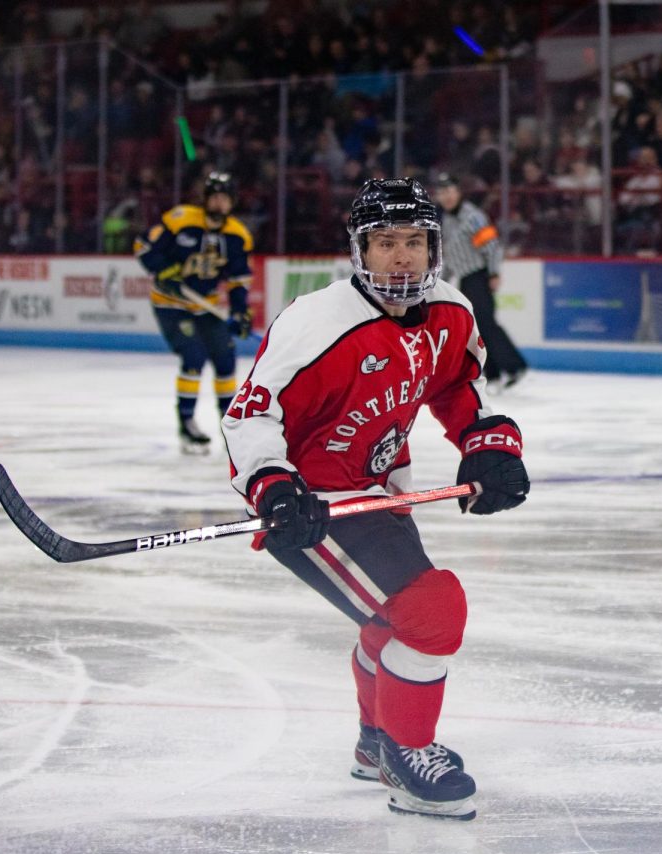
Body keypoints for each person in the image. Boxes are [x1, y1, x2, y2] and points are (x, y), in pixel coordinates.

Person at [220, 178, 530, 821]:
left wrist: (488, 444)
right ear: (360, 250)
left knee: (394, 620)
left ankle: (374, 741)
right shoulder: (318, 324)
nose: (402, 257)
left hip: (381, 491)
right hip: (313, 507)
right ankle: (405, 750)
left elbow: (457, 390)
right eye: (386, 242)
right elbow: (249, 416)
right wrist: (274, 487)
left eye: (414, 242)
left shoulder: (451, 311)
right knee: (432, 611)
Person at [135, 171, 253, 454]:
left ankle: (230, 425)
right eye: (214, 197)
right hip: (170, 304)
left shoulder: (238, 235)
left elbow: (238, 280)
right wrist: (163, 269)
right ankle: (186, 422)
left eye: (225, 198)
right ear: (205, 199)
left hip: (204, 304)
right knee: (194, 355)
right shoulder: (180, 219)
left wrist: (239, 312)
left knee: (225, 359)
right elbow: (143, 247)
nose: (219, 203)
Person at [432, 172, 527, 391]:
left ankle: (514, 366)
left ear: (458, 192)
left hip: (479, 276)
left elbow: (492, 247)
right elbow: (450, 256)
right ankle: (491, 373)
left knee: (486, 323)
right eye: (442, 192)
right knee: (474, 327)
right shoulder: (446, 220)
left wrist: (493, 273)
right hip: (465, 280)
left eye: (450, 191)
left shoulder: (472, 216)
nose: (446, 196)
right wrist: (440, 282)